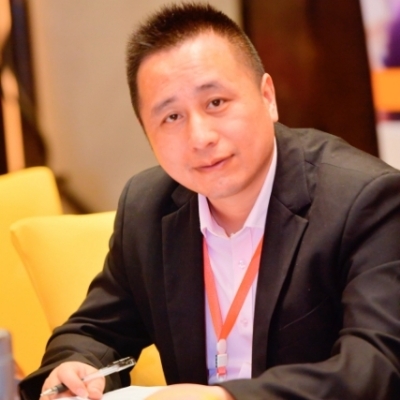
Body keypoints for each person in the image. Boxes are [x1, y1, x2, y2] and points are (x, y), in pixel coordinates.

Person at [19, 3, 400, 399]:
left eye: (216, 102)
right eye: (171, 117)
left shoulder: (366, 201)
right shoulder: (147, 208)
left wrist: (226, 398)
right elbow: (93, 333)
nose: (200, 137)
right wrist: (75, 367)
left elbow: (380, 366)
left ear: (267, 96)